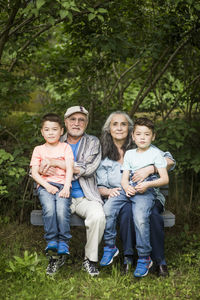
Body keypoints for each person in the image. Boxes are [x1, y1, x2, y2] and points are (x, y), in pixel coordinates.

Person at [96, 111, 175, 277]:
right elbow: (100, 185)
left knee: (150, 214)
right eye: (114, 124)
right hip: (123, 195)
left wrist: (150, 169)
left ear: (129, 129)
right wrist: (110, 191)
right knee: (125, 213)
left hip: (146, 194)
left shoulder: (142, 144)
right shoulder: (103, 155)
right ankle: (128, 257)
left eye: (123, 124)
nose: (119, 128)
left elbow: (169, 160)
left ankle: (158, 260)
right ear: (108, 129)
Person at [39, 106, 105, 276]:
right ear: (66, 122)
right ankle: (55, 258)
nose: (77, 123)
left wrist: (56, 163)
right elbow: (38, 165)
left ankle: (90, 260)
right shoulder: (53, 138)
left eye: (81, 120)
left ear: (87, 123)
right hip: (59, 195)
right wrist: (43, 167)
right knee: (54, 212)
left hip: (85, 196)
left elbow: (87, 168)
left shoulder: (93, 142)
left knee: (98, 216)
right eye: (73, 119)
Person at [30, 113, 74, 269]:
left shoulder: (65, 147)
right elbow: (35, 173)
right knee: (49, 210)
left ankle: (63, 242)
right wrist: (46, 186)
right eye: (47, 129)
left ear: (61, 131)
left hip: (63, 186)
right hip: (45, 186)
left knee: (62, 210)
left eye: (54, 129)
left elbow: (70, 168)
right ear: (42, 132)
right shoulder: (39, 150)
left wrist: (67, 186)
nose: (51, 132)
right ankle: (51, 241)